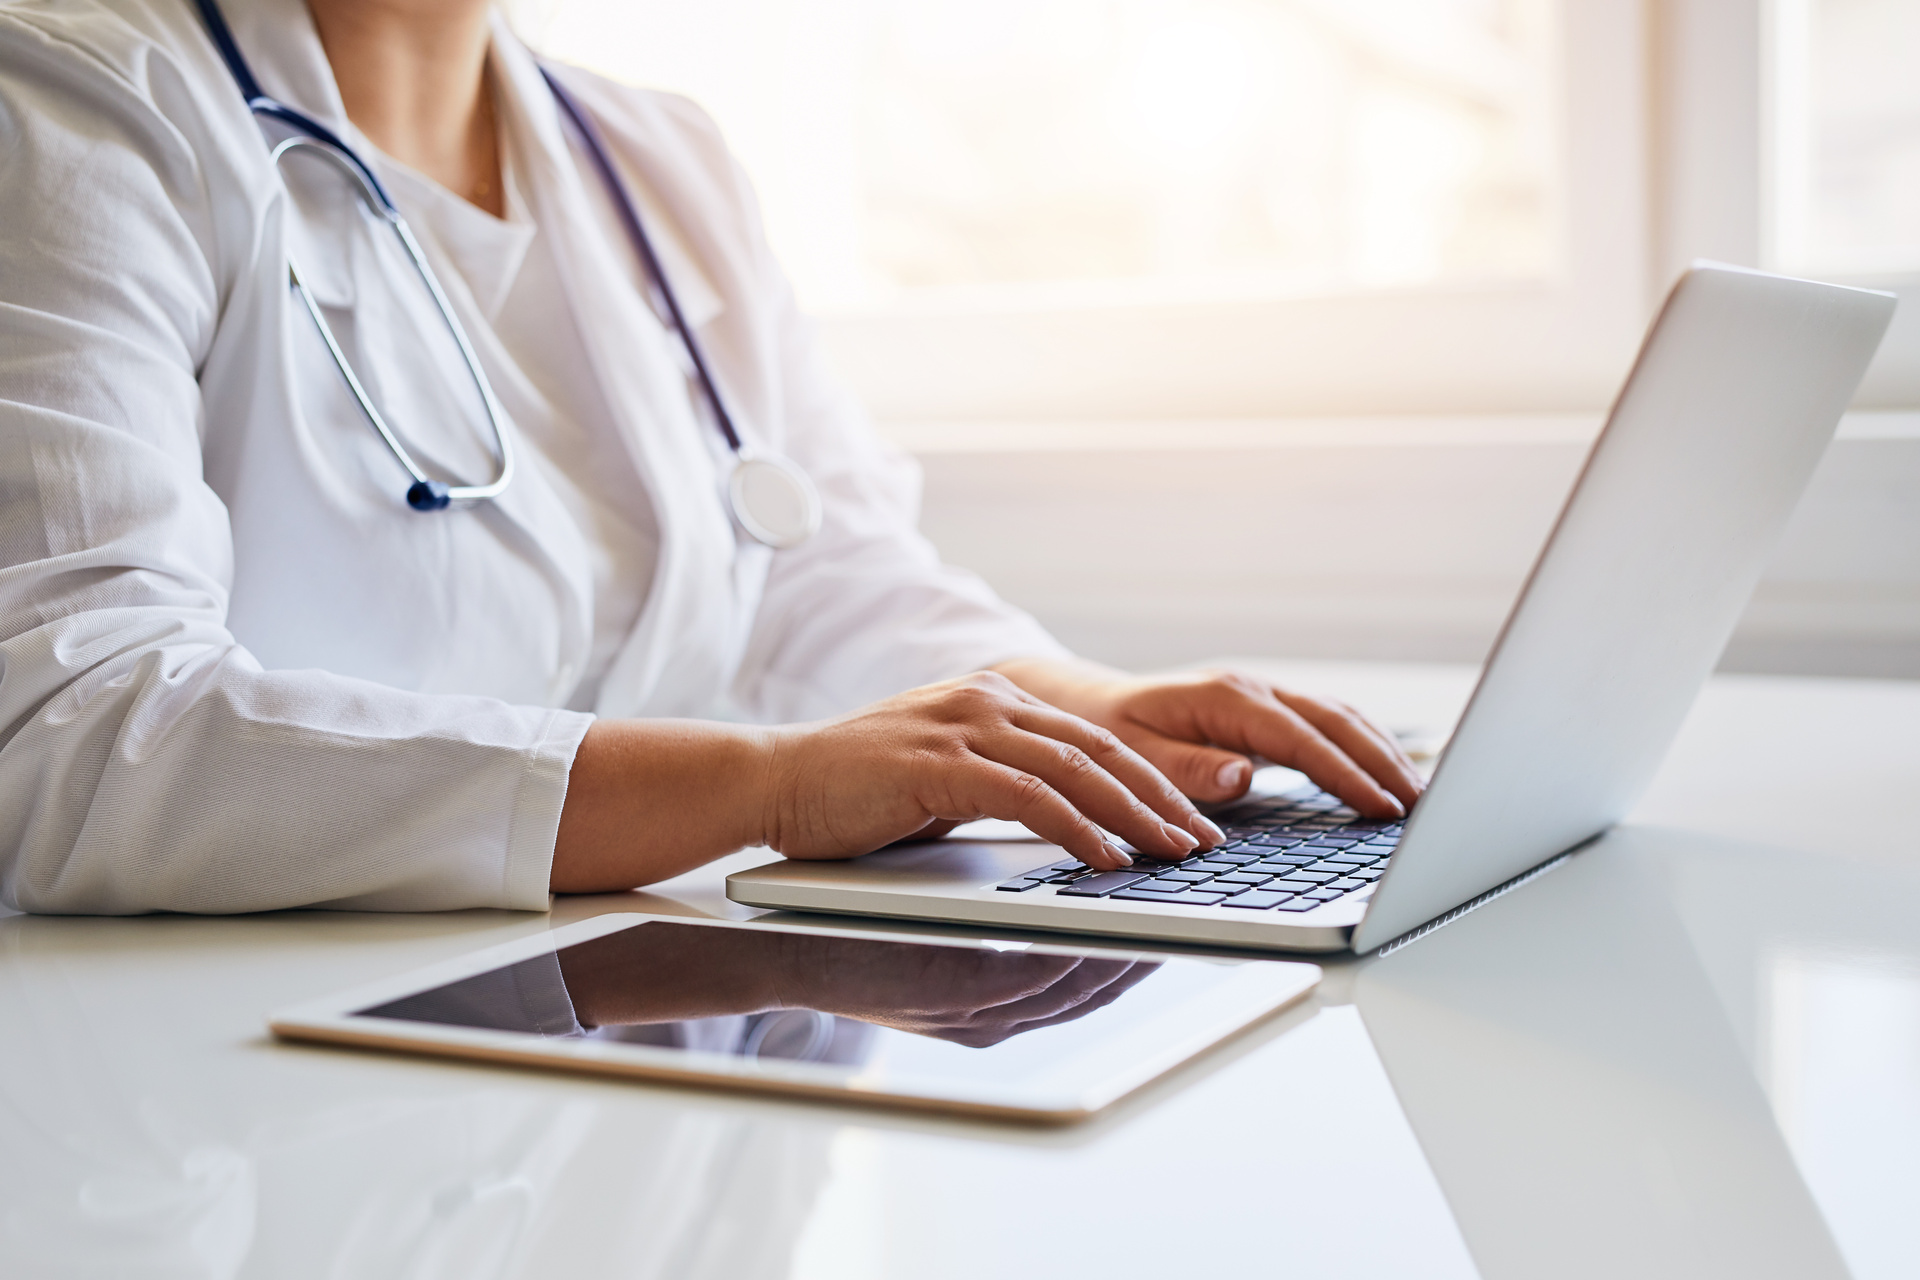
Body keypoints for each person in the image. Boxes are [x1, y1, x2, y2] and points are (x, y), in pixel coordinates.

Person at [0, 0, 1423, 916]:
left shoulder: (653, 156)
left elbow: (824, 581)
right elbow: (70, 737)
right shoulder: (74, 101)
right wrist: (768, 785)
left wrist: (1087, 712)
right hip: (223, 1092)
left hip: (616, 1032)